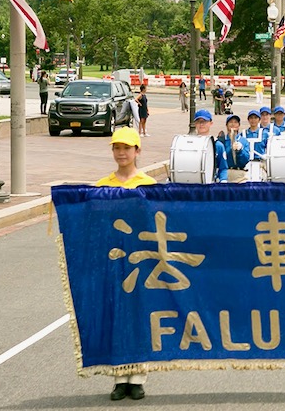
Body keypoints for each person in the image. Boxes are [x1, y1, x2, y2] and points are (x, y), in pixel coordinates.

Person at [95, 127, 156, 401]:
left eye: (127, 148)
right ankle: (119, 378)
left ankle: (138, 378)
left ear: (137, 151)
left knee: (140, 316)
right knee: (117, 318)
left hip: (142, 262)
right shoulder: (101, 186)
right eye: (117, 148)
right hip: (112, 261)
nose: (121, 153)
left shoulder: (149, 184)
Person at [193, 109, 228, 182]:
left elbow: (223, 168)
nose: (201, 124)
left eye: (204, 121)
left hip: (211, 185)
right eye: (198, 122)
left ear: (211, 123)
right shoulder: (190, 144)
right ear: (195, 124)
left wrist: (223, 180)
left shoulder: (217, 145)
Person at [219, 114, 251, 183]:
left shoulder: (243, 140)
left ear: (239, 125)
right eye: (230, 122)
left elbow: (246, 159)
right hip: (226, 173)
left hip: (240, 174)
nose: (233, 124)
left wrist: (240, 150)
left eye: (235, 122)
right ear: (226, 125)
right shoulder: (222, 140)